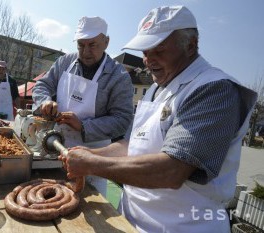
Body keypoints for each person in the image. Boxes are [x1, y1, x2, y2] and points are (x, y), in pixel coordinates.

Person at [60, 5, 258, 233]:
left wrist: (92, 164)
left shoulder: (214, 90)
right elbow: (133, 146)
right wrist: (86, 154)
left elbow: (172, 170)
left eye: (159, 50)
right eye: (145, 51)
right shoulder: (157, 88)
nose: (148, 60)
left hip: (185, 226)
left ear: (191, 45)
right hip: (131, 220)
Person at [32, 16, 134, 196]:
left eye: (92, 45)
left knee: (87, 200)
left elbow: (123, 119)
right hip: (53, 147)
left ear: (106, 42)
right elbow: (42, 85)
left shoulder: (118, 76)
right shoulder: (65, 62)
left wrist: (84, 126)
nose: (86, 51)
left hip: (92, 157)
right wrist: (45, 101)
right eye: (81, 45)